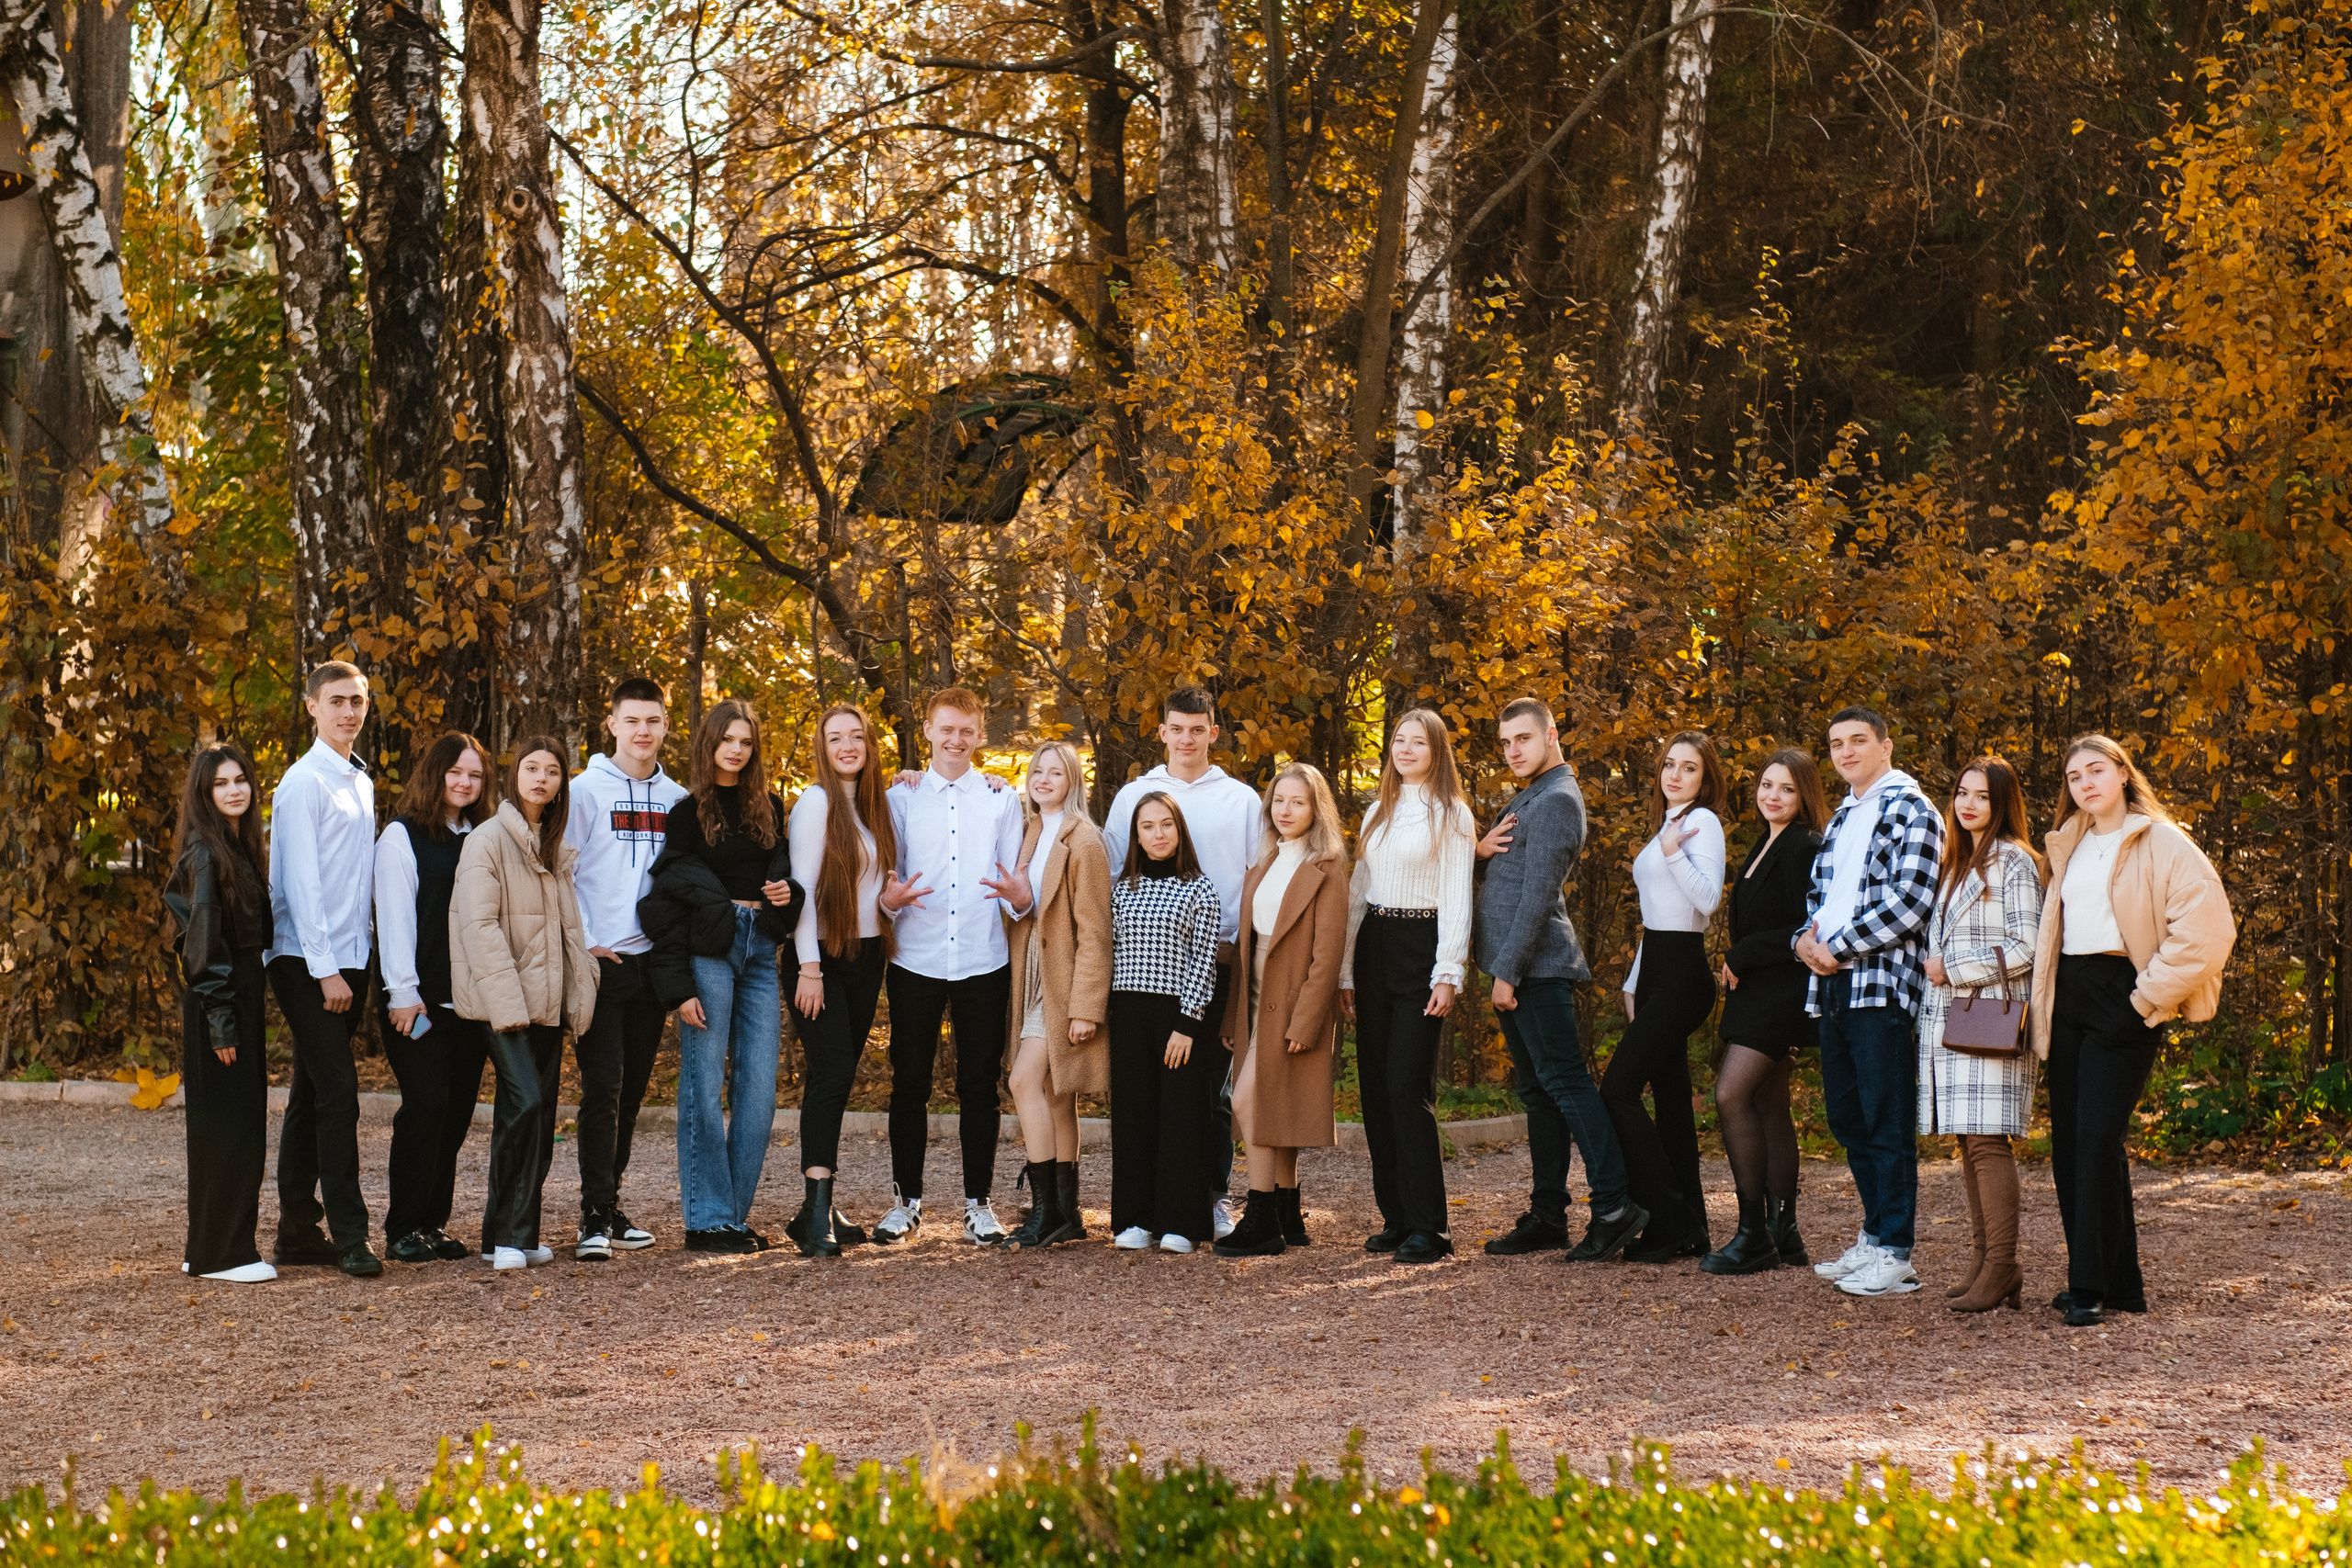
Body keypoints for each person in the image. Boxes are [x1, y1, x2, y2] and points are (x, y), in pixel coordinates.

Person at [2032, 734, 2234, 1327]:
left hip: (2124, 996)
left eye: (2096, 770)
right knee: (2073, 1144)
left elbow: (2207, 932)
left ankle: (2089, 1286)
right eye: (2074, 777)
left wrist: (2144, 997)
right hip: (2069, 997)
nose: (2085, 783)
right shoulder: (2067, 843)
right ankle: (2120, 1284)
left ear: (2123, 773)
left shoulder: (2162, 840)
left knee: (2096, 1138)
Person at [1474, 698, 1647, 1263]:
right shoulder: (1532, 795)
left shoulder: (1555, 801)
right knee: (1539, 1092)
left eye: (1523, 739)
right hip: (1520, 968)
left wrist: (1507, 971)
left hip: (1535, 969)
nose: (1513, 751)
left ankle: (1615, 1206)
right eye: (1505, 743)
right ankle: (1549, 1214)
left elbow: (1538, 898)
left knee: (1567, 1085)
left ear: (1551, 734)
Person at [1794, 706, 1946, 1300]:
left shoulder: (1912, 808)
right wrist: (1804, 941)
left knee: (1885, 1121)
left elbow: (1912, 899)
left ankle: (1896, 1252)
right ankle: (1873, 1233)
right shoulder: (1842, 816)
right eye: (1836, 743)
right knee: (1847, 1118)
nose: (1847, 751)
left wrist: (1838, 944)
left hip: (1880, 983)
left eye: (1859, 740)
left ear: (1885, 744)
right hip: (1832, 982)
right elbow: (1818, 895)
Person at [640, 700, 803, 1253]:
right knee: (703, 1085)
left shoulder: (770, 807)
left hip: (761, 949)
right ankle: (707, 1218)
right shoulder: (687, 812)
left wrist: (787, 895)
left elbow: (782, 882)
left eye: (746, 741)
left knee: (758, 1091)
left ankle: (730, 1215)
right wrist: (678, 987)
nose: (736, 749)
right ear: (708, 742)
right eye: (727, 739)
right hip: (711, 950)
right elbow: (667, 895)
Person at [873, 688, 1033, 1247]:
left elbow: (1018, 889)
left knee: (979, 1087)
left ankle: (978, 1204)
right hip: (915, 956)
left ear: (980, 734)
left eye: (967, 730)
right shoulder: (901, 797)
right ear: (929, 731)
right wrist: (889, 903)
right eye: (947, 729)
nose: (956, 739)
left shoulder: (1001, 799)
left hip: (983, 958)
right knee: (908, 1082)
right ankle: (906, 1202)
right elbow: (884, 880)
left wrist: (1020, 897)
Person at [1101, 686, 1263, 1237]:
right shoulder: (1134, 796)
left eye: (1198, 729)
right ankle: (1147, 1210)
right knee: (1148, 1098)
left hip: (1215, 958)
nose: (1187, 738)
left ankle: (1209, 1199)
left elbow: (1259, 876)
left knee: (1207, 1094)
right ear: (1163, 732)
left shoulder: (1240, 799)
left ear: (1213, 733)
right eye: (1178, 728)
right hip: (1142, 971)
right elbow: (1107, 871)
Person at [449, 738, 600, 1271]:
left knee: (534, 1115)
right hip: (502, 1001)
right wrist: (509, 1004)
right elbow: (479, 927)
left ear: (562, 783)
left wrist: (583, 976)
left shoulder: (553, 843)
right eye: (531, 769)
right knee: (526, 1103)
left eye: (553, 771)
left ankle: (512, 1234)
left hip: (548, 1003)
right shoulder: (488, 840)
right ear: (515, 776)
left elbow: (564, 928)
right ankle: (507, 1235)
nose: (541, 779)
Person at [1338, 710, 1476, 1265]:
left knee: (1404, 1087)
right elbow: (1358, 892)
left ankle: (1431, 1227)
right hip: (1374, 945)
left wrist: (1449, 971)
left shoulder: (1453, 815)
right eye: (1398, 740)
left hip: (1422, 949)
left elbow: (1457, 895)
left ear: (1437, 751)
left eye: (1418, 742)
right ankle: (1396, 1218)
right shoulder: (1379, 810)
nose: (1406, 749)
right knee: (1374, 1089)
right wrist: (1346, 969)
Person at [264, 661, 383, 1278]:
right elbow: (301, 884)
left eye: (358, 701)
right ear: (311, 706)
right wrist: (325, 970)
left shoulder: (358, 781)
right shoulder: (303, 782)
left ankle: (295, 1232)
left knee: (311, 1092)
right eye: (336, 700)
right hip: (305, 959)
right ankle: (351, 1232)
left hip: (349, 957)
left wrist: (356, 960)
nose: (348, 712)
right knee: (339, 1091)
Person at [566, 675, 688, 1259]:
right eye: (632, 720)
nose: (643, 731)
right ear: (611, 724)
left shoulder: (679, 800)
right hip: (600, 962)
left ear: (666, 726)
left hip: (651, 964)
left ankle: (611, 1206)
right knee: (603, 1088)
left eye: (654, 721)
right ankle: (592, 1213)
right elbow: (558, 873)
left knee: (633, 1091)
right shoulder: (582, 791)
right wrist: (585, 941)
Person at [1918, 755, 2046, 1313]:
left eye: (1982, 797)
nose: (1967, 804)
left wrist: (1956, 966)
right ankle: (1983, 1262)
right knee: (1969, 1142)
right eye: (1961, 793)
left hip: (1991, 1017)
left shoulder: (2014, 862)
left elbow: (2027, 946)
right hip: (1956, 1018)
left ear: (2003, 804)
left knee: (1989, 1143)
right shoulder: (1957, 861)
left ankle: (2002, 1266)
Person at [1703, 749, 1828, 1276]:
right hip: (1759, 990)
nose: (1772, 796)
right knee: (1771, 1103)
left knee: (1732, 1095)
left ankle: (1752, 1231)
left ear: (1804, 797)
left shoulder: (1805, 845)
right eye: (1766, 785)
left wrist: (1742, 955)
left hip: (1782, 992)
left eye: (1786, 789)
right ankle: (1786, 1233)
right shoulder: (1764, 842)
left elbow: (1810, 925)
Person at [1216, 762, 1349, 1258]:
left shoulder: (1327, 867)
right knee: (1275, 1105)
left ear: (1316, 809)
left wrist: (1308, 1020)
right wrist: (1235, 1016)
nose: (1286, 810)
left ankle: (1262, 1214)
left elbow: (1327, 955)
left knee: (1252, 1102)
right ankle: (1289, 1214)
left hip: (1292, 1003)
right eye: (1279, 801)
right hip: (1252, 1001)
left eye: (1298, 802)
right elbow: (1246, 947)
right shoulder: (1265, 862)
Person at [373, 732, 494, 1265]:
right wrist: (403, 992)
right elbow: (394, 918)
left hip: (469, 1003)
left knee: (456, 1114)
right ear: (435, 774)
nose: (464, 783)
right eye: (455, 773)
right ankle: (402, 1226)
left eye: (474, 775)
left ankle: (432, 1223)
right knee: (424, 1109)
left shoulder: (484, 837)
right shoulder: (403, 837)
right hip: (416, 1005)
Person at [1610, 731, 1730, 1263]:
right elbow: (1656, 918)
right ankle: (1691, 1227)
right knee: (1673, 1103)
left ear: (1706, 780)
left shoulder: (1703, 824)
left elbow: (1705, 903)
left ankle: (1667, 1217)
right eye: (1669, 765)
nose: (1675, 775)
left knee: (1616, 1091)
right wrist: (1635, 980)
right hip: (1657, 967)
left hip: (1684, 974)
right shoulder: (1671, 825)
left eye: (1689, 769)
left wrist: (1672, 854)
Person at [784, 705, 897, 1257]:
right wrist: (809, 968)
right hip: (821, 957)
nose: (847, 746)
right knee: (830, 1071)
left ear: (870, 744)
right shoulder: (816, 803)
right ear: (822, 748)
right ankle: (813, 1208)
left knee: (842, 1071)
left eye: (856, 737)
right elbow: (801, 890)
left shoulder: (876, 807)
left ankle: (821, 1203)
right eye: (835, 738)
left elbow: (870, 892)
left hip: (866, 955)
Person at [165, 743, 277, 1284]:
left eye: (241, 781)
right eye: (220, 784)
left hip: (235, 1000)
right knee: (232, 1129)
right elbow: (203, 948)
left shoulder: (235, 848)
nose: (235, 790)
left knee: (225, 1126)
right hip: (222, 1004)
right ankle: (225, 1255)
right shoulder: (207, 854)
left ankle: (205, 1248)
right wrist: (222, 1021)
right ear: (204, 795)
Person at [1001, 740, 1113, 1250]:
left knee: (1023, 1080)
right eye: (1037, 772)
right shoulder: (1030, 831)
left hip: (1064, 984)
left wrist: (1087, 1006)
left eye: (1055, 773)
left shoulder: (1084, 840)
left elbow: (1095, 929)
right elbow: (1030, 908)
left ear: (1072, 781)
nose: (1043, 780)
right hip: (1030, 974)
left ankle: (1044, 1210)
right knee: (1055, 1094)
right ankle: (1068, 1213)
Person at [1106, 794, 1226, 1252]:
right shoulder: (1123, 888)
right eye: (1148, 827)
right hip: (1129, 1011)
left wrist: (1187, 1022)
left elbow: (1204, 963)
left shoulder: (1200, 888)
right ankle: (1135, 1218)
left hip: (1178, 1013)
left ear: (1179, 831)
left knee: (1181, 1116)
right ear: (1136, 836)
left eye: (1166, 825)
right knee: (1134, 1115)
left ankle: (1181, 1220)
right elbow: (1113, 952)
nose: (1158, 834)